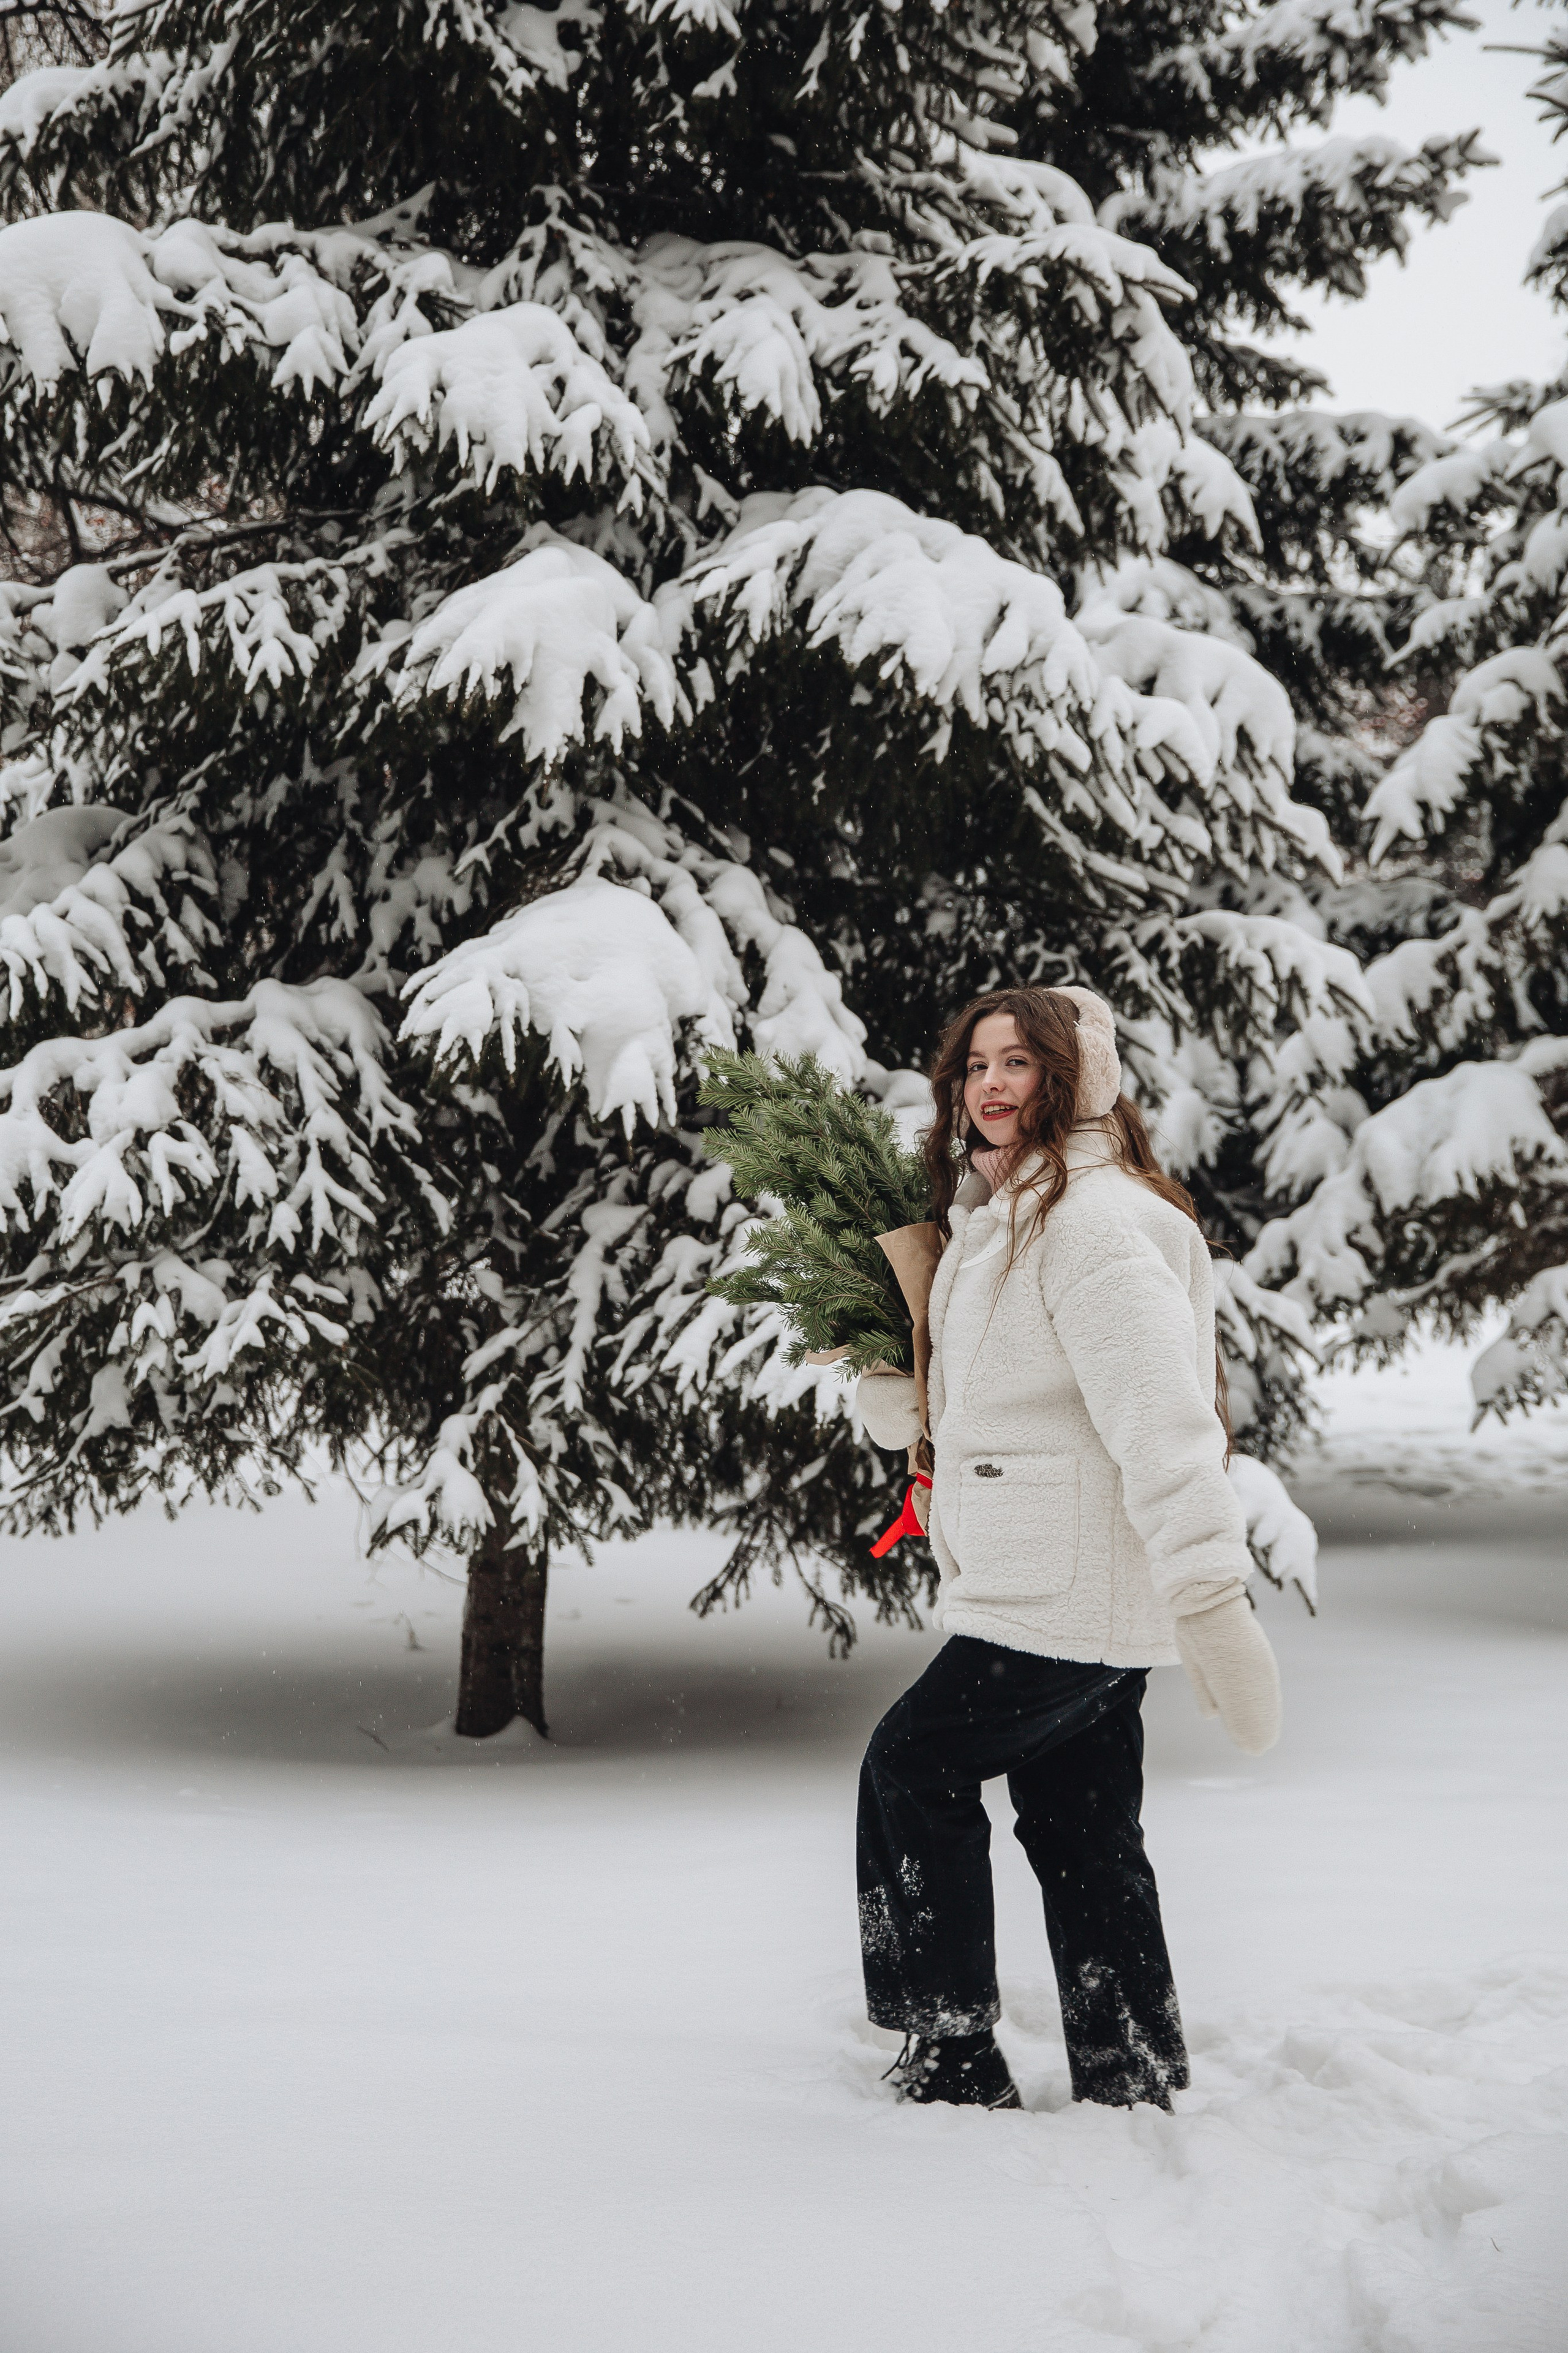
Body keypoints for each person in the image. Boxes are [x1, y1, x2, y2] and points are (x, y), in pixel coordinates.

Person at [856, 986, 1281, 2113]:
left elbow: (1163, 1416)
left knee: (911, 1764)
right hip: (1062, 1582)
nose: (991, 1084)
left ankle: (953, 2052)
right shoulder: (1001, 1220)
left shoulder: (1088, 1223)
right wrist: (916, 1397)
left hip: (1059, 1594)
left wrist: (1209, 1591)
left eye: (1019, 1064)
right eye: (976, 1065)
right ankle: (1129, 2065)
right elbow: (1036, 1400)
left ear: (1072, 1079)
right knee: (1080, 1826)